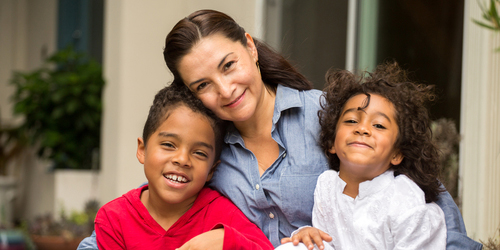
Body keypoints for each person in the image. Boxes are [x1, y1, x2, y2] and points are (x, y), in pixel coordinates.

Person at [78, 9, 482, 250]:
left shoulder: (328, 114)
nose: (225, 90)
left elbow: (419, 194)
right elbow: (151, 209)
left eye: (228, 65)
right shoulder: (205, 151)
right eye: (202, 85)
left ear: (250, 49)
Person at [279, 62, 448, 250]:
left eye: (379, 125)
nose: (362, 129)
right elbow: (326, 243)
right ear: (332, 142)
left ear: (397, 153)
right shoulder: (327, 186)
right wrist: (309, 234)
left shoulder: (404, 198)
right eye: (351, 120)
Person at [91, 84, 274, 250]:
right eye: (169, 145)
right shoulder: (113, 220)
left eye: (199, 153)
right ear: (142, 150)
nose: (182, 159)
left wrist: (228, 242)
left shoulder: (224, 216)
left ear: (211, 170)